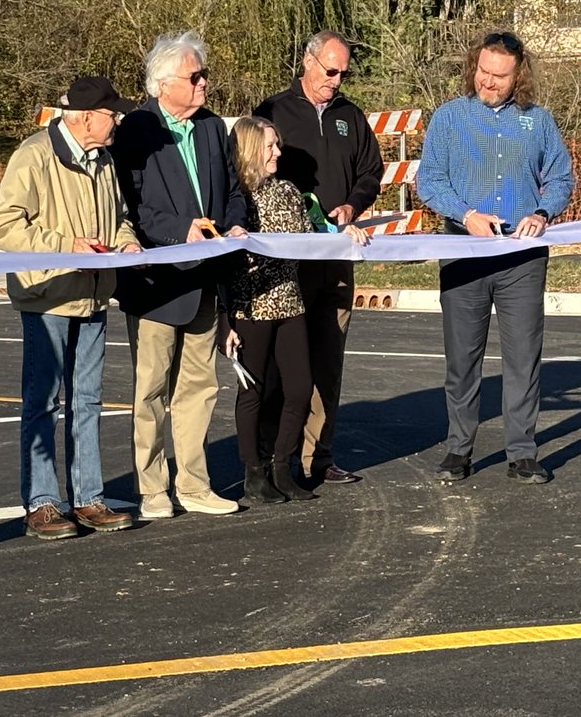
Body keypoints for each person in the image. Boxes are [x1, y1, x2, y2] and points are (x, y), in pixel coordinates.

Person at [415, 30, 576, 485]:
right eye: (483, 72)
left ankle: (522, 452)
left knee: (523, 358)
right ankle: (458, 449)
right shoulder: (448, 119)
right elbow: (429, 182)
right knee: (462, 359)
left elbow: (562, 178)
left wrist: (544, 212)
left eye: (499, 76)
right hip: (463, 254)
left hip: (521, 260)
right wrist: (465, 215)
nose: (488, 82)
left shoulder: (539, 122)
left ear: (518, 75)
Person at [0, 76, 142, 541]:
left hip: (93, 296)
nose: (116, 120)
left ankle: (88, 498)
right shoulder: (33, 156)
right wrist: (67, 246)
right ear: (84, 117)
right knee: (42, 404)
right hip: (47, 299)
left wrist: (128, 244)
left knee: (88, 401)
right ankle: (41, 503)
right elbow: (5, 227)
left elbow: (117, 218)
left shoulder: (105, 159)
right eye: (110, 113)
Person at [111, 30, 248, 520]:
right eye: (195, 76)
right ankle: (152, 489)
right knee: (150, 392)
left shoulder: (212, 128)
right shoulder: (134, 130)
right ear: (163, 83)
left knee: (199, 388)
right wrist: (178, 232)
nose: (205, 83)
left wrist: (234, 221)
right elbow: (130, 205)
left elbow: (234, 189)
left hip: (204, 280)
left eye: (203, 74)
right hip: (155, 282)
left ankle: (193, 483)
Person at [254, 30, 384, 485]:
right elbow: (252, 173)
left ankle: (318, 457)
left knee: (328, 362)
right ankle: (273, 458)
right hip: (287, 266)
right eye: (330, 70)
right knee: (282, 365)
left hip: (336, 259)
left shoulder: (350, 115)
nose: (337, 79)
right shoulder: (274, 111)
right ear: (308, 62)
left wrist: (354, 204)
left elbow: (371, 171)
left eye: (344, 72)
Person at [222, 117, 369, 504]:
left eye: (278, 145)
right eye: (270, 145)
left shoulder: (289, 190)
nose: (278, 152)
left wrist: (343, 235)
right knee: (254, 391)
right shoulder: (234, 197)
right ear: (251, 149)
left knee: (300, 387)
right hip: (251, 304)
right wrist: (226, 318)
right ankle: (253, 472)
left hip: (290, 300)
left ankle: (282, 466)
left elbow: (314, 235)